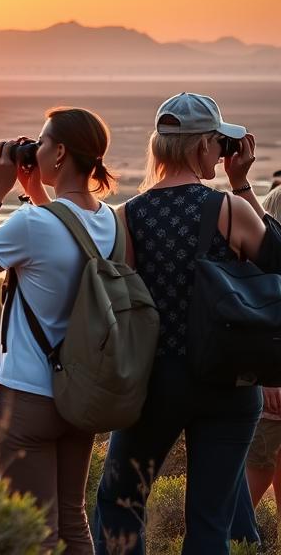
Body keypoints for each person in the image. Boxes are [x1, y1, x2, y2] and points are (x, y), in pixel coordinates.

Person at [93, 92, 273, 555]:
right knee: (210, 522)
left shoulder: (127, 216)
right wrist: (242, 185)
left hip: (157, 382)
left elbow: (126, 303)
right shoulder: (229, 211)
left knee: (120, 502)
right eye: (218, 143)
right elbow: (279, 258)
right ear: (200, 148)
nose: (222, 152)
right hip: (229, 383)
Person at [0, 106, 119, 554]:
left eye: (40, 143)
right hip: (81, 394)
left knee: (32, 533)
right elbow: (70, 244)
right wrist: (37, 192)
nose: (33, 149)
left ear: (59, 153)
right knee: (73, 521)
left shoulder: (31, 224)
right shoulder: (113, 222)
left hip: (27, 397)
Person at [230, 184, 281, 543]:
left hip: (270, 395)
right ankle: (239, 543)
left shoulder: (260, 265)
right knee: (254, 482)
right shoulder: (264, 268)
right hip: (270, 397)